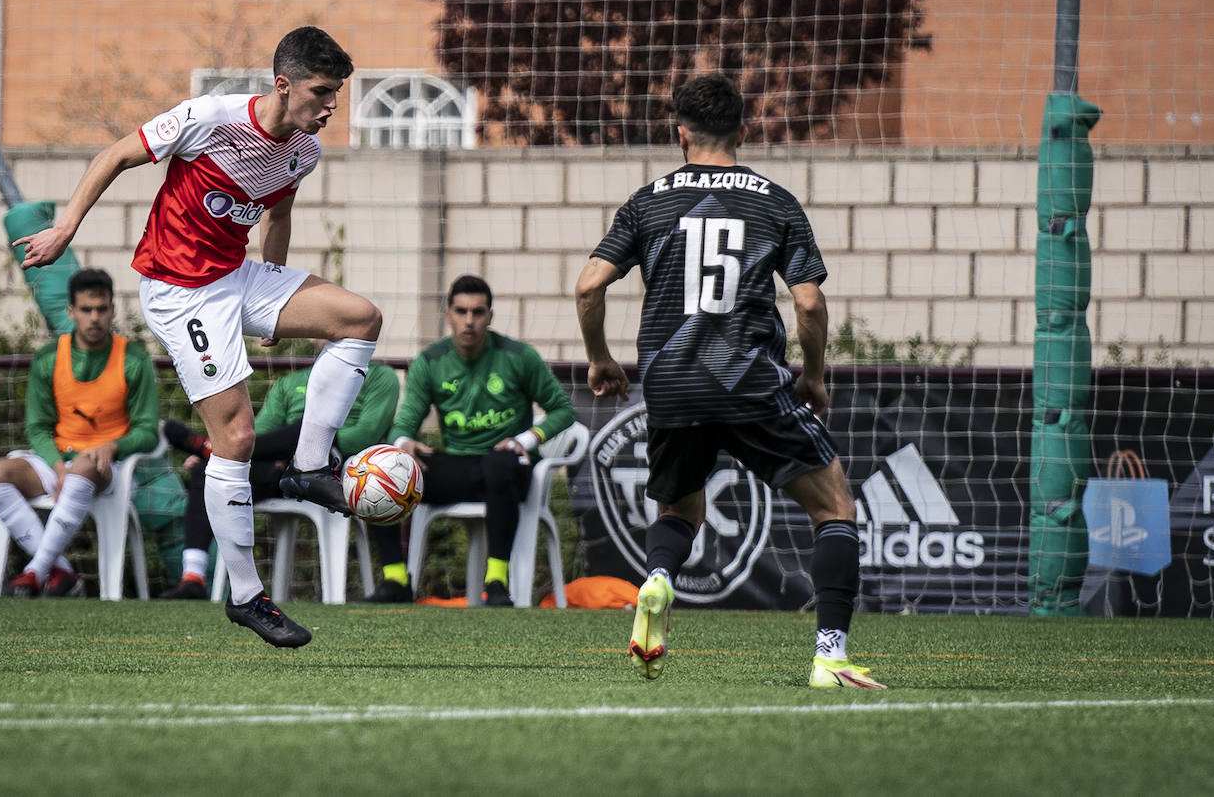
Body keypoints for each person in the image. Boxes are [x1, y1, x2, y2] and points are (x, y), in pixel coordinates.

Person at [13, 27, 382, 648]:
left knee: (360, 318)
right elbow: (115, 155)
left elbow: (278, 215)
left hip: (236, 277)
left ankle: (311, 466)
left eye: (337, 94)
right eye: (323, 92)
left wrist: (276, 299)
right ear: (283, 85)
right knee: (234, 436)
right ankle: (246, 596)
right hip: (178, 289)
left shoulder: (303, 151)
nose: (331, 106)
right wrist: (65, 226)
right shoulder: (210, 119)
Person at [574, 73, 885, 688]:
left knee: (680, 508)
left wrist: (600, 358)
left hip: (671, 382)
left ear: (679, 132)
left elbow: (588, 286)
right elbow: (810, 304)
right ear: (743, 130)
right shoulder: (772, 200)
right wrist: (815, 376)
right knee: (835, 508)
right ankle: (829, 655)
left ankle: (658, 580)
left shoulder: (648, 201)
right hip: (748, 379)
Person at [375, 275, 575, 606]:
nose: (470, 321)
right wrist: (402, 442)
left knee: (500, 463)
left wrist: (526, 439)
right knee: (383, 470)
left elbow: (562, 411)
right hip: (458, 467)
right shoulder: (430, 361)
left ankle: (496, 579)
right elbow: (405, 421)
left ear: (490, 316)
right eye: (462, 311)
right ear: (448, 314)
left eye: (478, 312)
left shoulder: (519, 356)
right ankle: (396, 580)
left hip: (507, 471)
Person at [0, 269, 160, 597]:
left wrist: (112, 447)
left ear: (113, 309)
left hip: (109, 471)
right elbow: (36, 427)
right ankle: (59, 570)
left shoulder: (133, 358)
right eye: (87, 310)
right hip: (58, 464)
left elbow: (149, 432)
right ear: (71, 311)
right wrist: (58, 465)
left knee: (86, 464)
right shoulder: (48, 357)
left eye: (102, 309)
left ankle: (35, 571)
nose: (95, 318)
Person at [160, 360, 399, 599]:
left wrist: (309, 445)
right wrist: (229, 458)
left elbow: (366, 434)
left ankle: (214, 448)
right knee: (208, 471)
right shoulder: (290, 383)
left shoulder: (378, 375)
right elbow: (259, 434)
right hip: (282, 471)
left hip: (334, 471)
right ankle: (193, 576)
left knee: (309, 429)